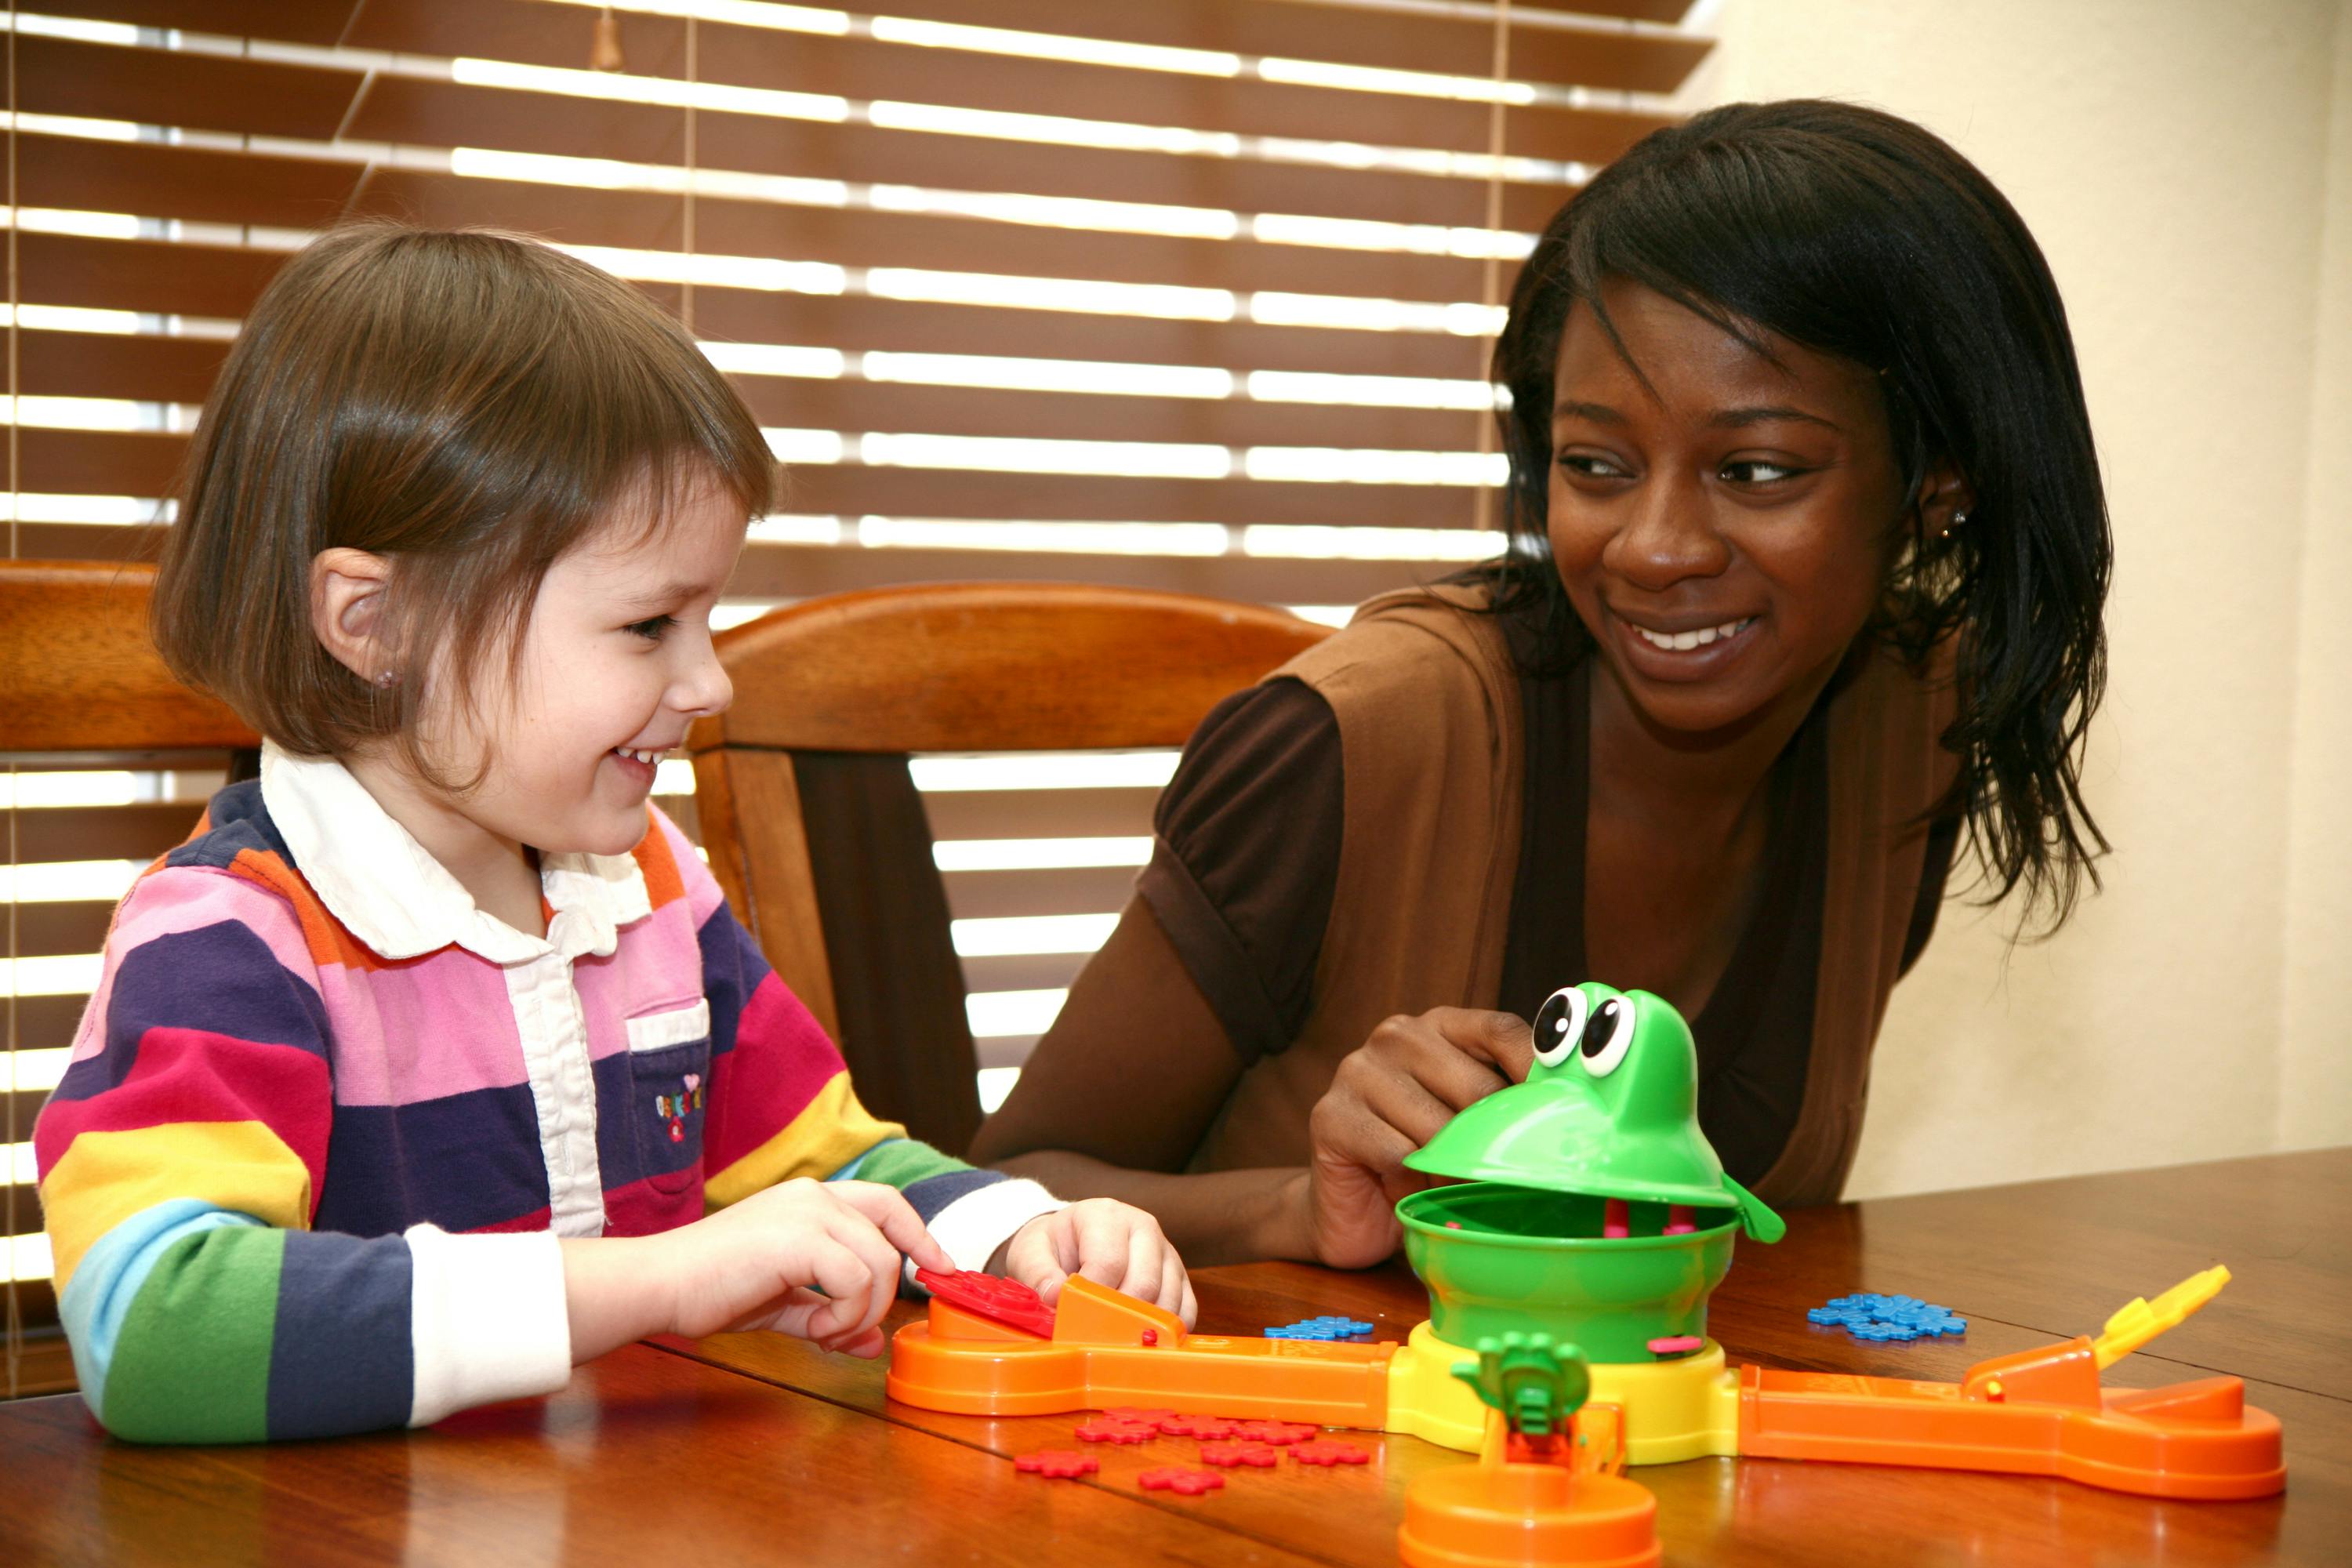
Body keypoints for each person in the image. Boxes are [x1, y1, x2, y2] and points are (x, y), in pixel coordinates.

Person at [33, 225, 1192, 1444]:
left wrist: (1012, 1231)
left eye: (709, 617)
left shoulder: (649, 890)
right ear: (375, 623)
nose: (710, 681)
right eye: (649, 626)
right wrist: (665, 1279)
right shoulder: (231, 938)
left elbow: (823, 1168)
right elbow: (149, 1329)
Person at [971, 100, 2111, 1270]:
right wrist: (1297, 1210)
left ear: (1940, 480)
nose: (1656, 547)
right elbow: (1008, 1192)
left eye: (1757, 470)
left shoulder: (1913, 725)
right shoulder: (1359, 740)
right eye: (1595, 466)